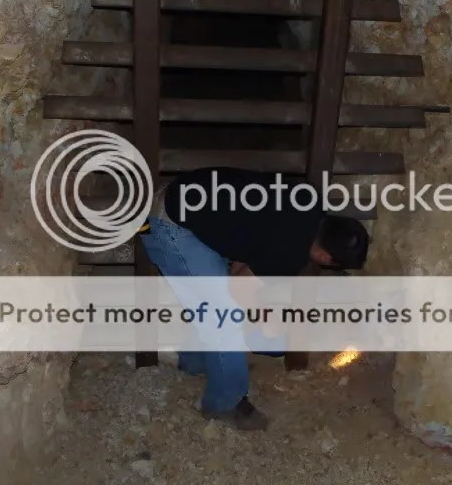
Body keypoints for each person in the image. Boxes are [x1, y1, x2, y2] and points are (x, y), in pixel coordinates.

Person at [140, 167, 368, 431]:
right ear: (326, 258)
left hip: (178, 197)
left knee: (219, 303)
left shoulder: (310, 203)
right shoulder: (293, 251)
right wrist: (265, 321)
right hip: (167, 224)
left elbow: (245, 256)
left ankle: (194, 361)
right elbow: (240, 287)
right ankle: (224, 403)